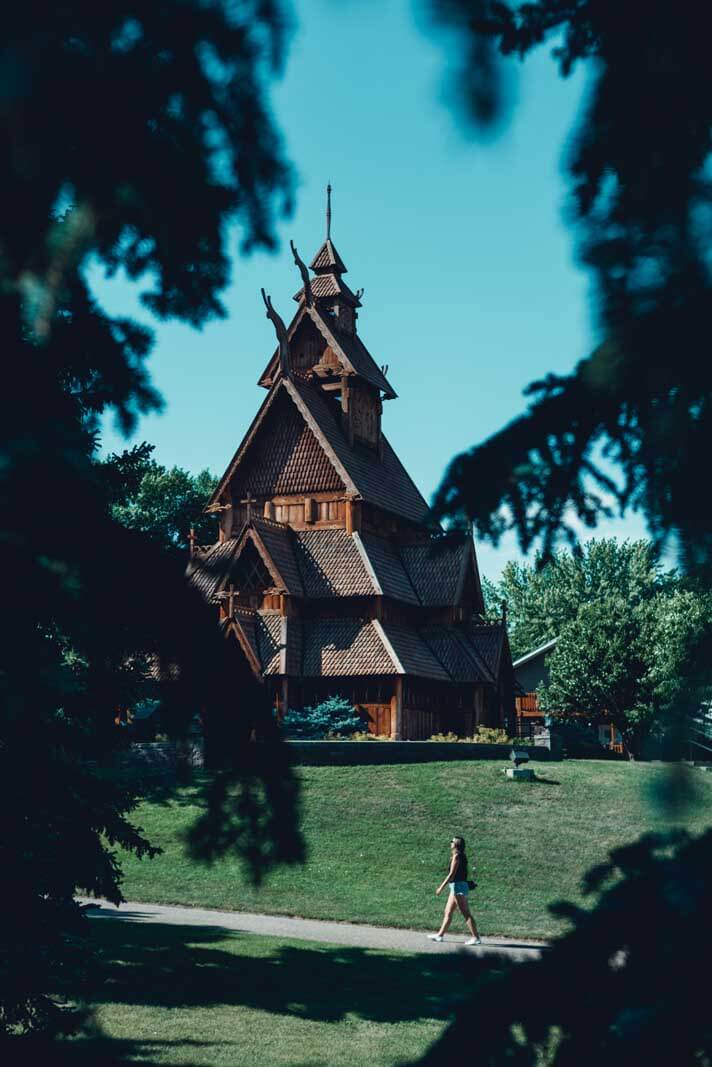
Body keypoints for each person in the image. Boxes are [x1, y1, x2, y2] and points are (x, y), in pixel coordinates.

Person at [428, 835, 482, 946]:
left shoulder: (457, 856)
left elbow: (451, 875)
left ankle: (476, 938)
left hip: (458, 887)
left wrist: (441, 887)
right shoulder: (459, 855)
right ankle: (440, 935)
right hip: (456, 886)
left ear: (456, 844)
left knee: (466, 913)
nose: (450, 842)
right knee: (448, 912)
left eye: (452, 841)